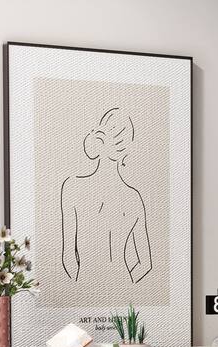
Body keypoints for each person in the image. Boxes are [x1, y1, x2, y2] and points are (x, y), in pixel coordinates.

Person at [61, 107, 153, 285]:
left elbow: (68, 257)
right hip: (124, 284)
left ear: (100, 140)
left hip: (85, 284)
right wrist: (126, 285)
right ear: (126, 150)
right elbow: (145, 264)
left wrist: (79, 285)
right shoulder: (134, 198)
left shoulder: (72, 187)